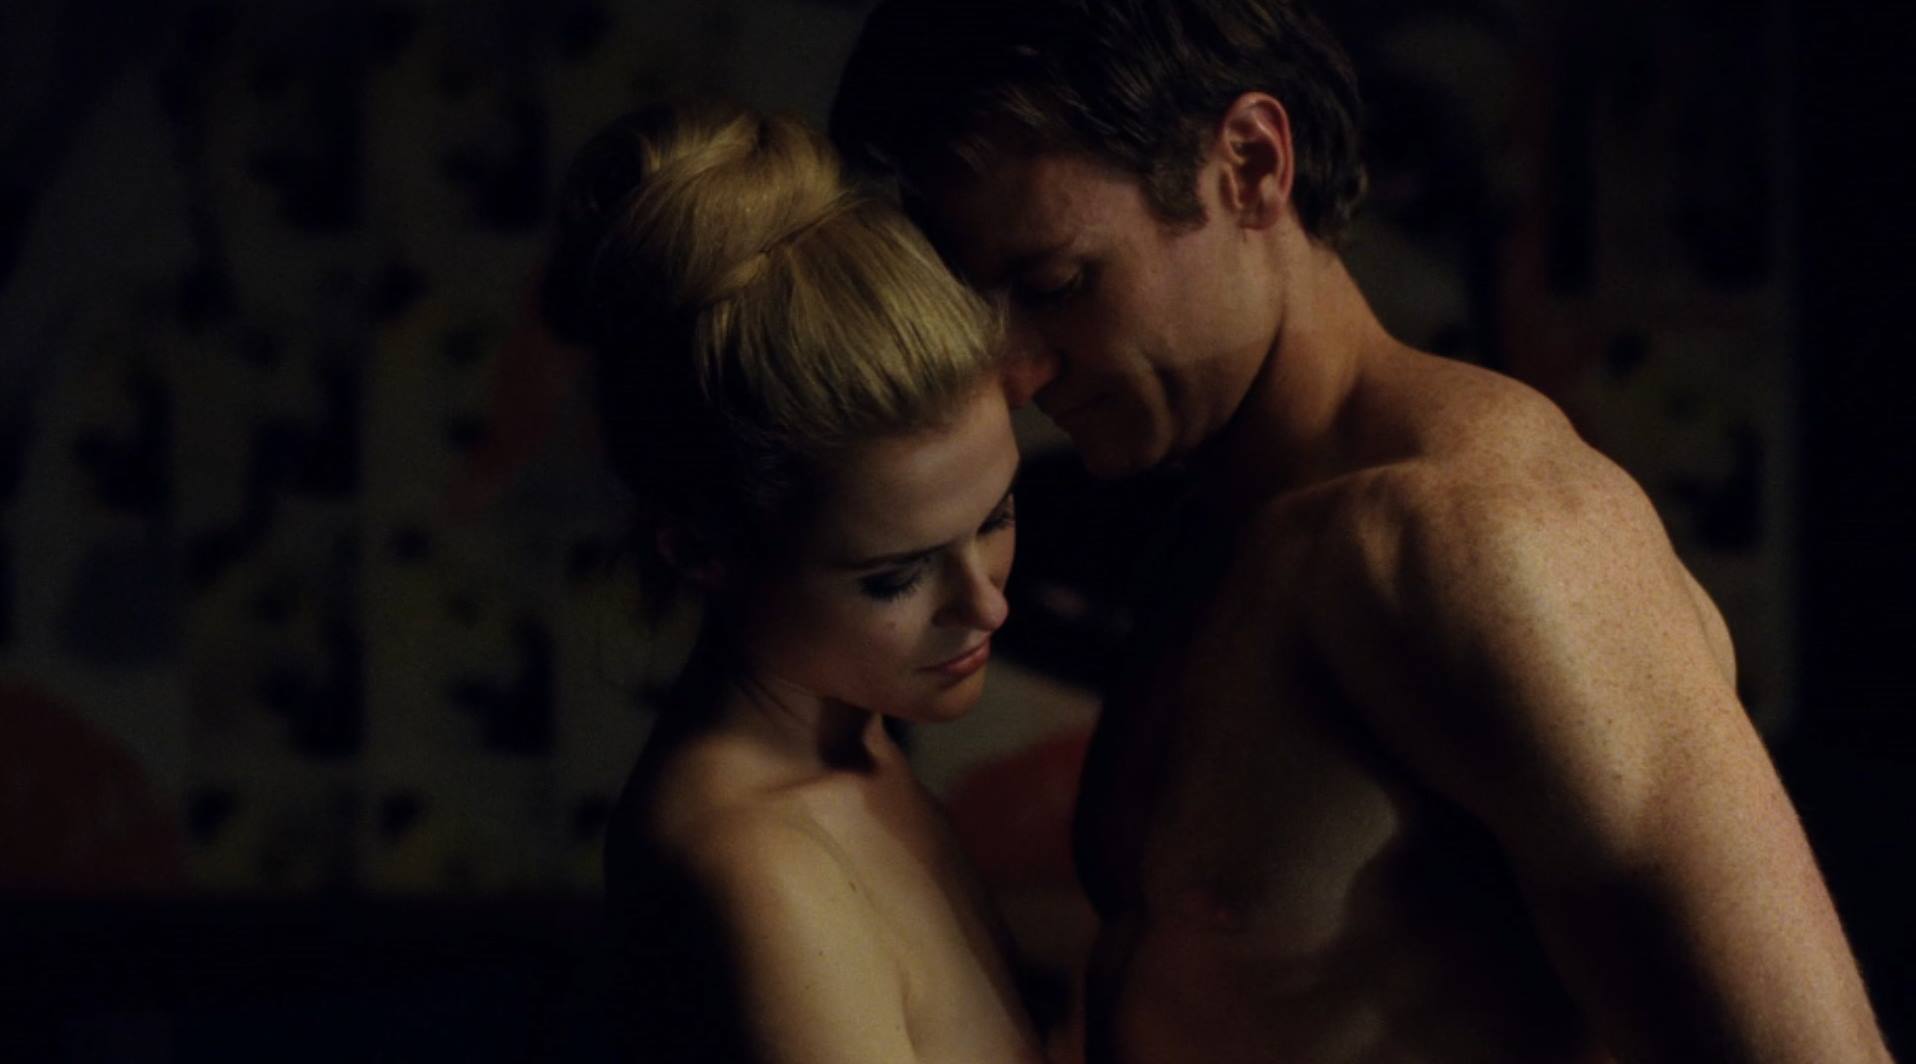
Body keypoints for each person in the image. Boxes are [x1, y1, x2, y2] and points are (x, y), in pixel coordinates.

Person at [831, 2, 1895, 1061]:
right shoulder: (1219, 528)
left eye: (1056, 284)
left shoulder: (1482, 533)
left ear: (1250, 165)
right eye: (980, 304)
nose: (1012, 372)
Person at [543, 99, 1045, 1063]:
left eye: (995, 518)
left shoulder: (854, 752)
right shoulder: (757, 868)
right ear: (703, 551)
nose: (986, 602)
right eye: (896, 577)